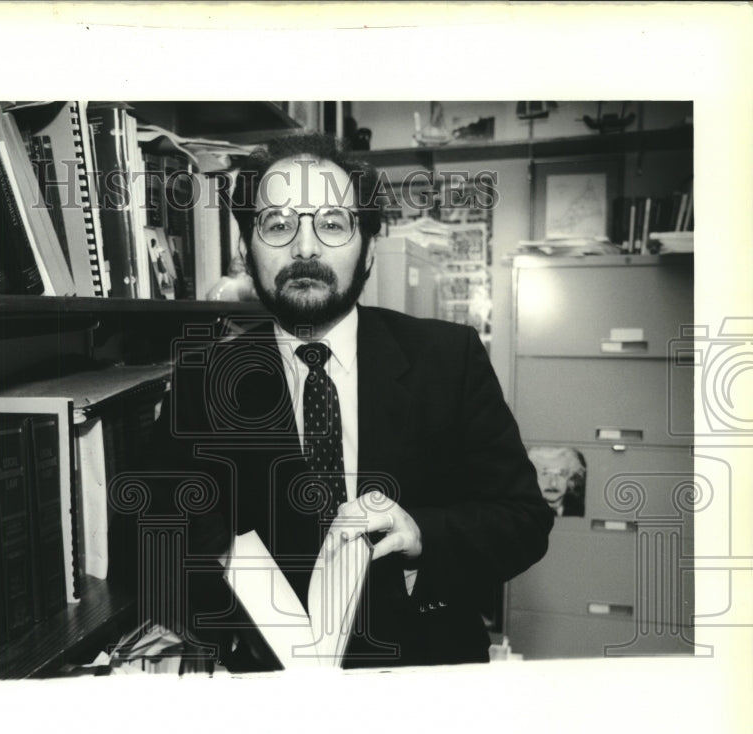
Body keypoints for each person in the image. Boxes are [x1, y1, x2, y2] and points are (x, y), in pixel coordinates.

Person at [146, 133, 552, 670]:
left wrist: (422, 534)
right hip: (273, 683)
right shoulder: (205, 378)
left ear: (368, 251)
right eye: (278, 225)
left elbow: (524, 520)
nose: (305, 247)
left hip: (425, 669)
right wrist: (220, 581)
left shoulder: (448, 359)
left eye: (333, 225)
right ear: (245, 250)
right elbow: (160, 528)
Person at [527, 446, 587, 517]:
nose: (553, 483)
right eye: (545, 474)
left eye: (561, 474)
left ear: (570, 477)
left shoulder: (580, 511)